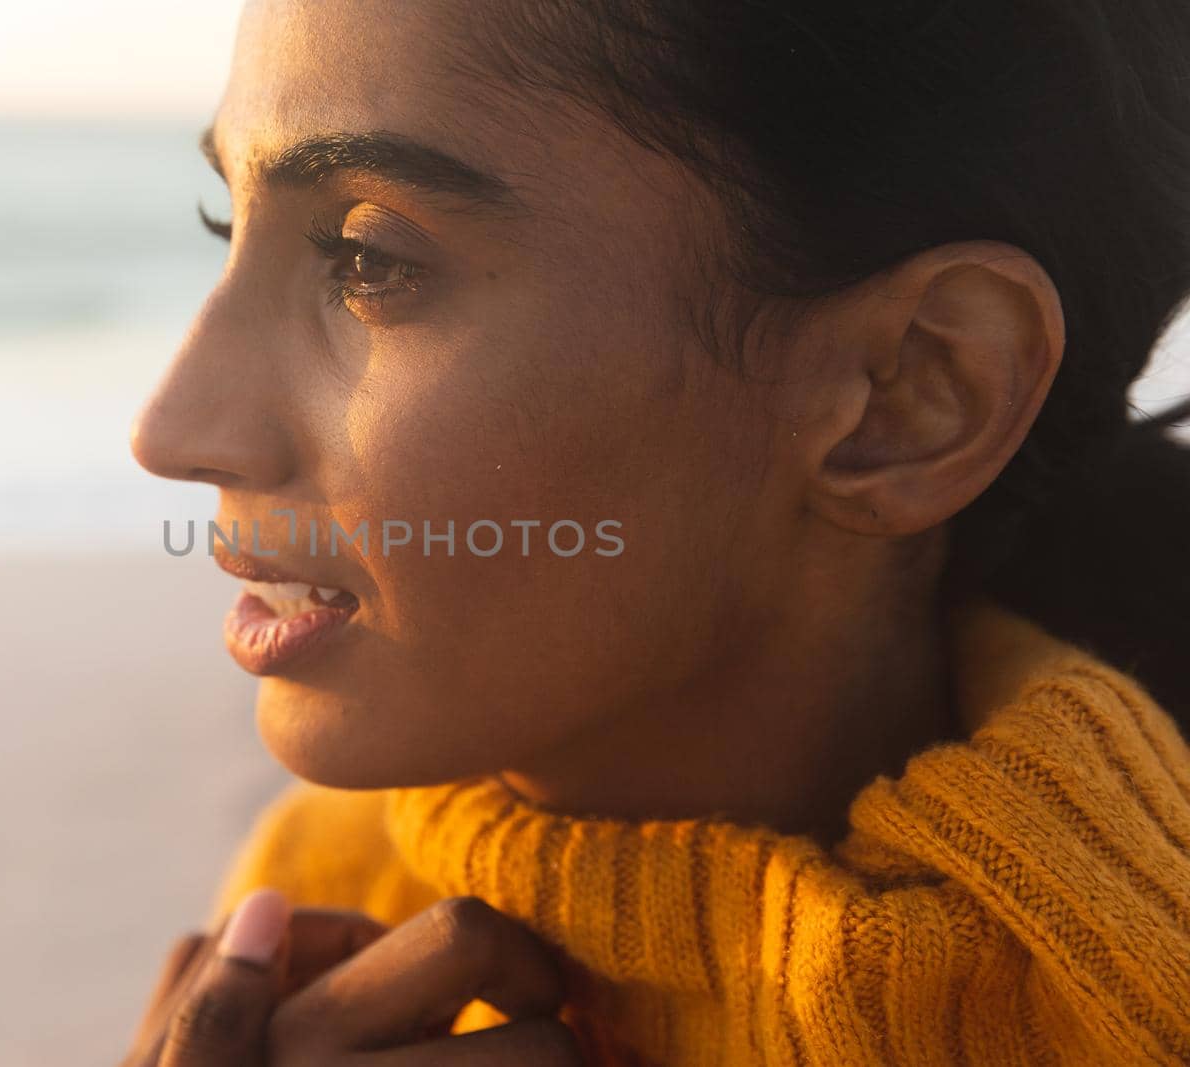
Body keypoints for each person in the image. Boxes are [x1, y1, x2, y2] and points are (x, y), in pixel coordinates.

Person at [122, 1, 1190, 1063]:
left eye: (367, 259)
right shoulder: (324, 917)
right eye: (228, 226)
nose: (171, 431)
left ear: (907, 392)